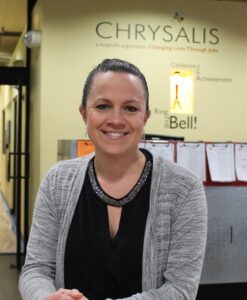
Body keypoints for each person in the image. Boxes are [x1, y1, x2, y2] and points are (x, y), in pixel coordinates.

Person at [19, 58, 207, 300]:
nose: (116, 119)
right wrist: (45, 297)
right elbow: (36, 269)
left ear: (145, 116)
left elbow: (181, 290)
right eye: (103, 106)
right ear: (84, 113)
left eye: (130, 108)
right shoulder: (58, 182)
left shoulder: (184, 189)